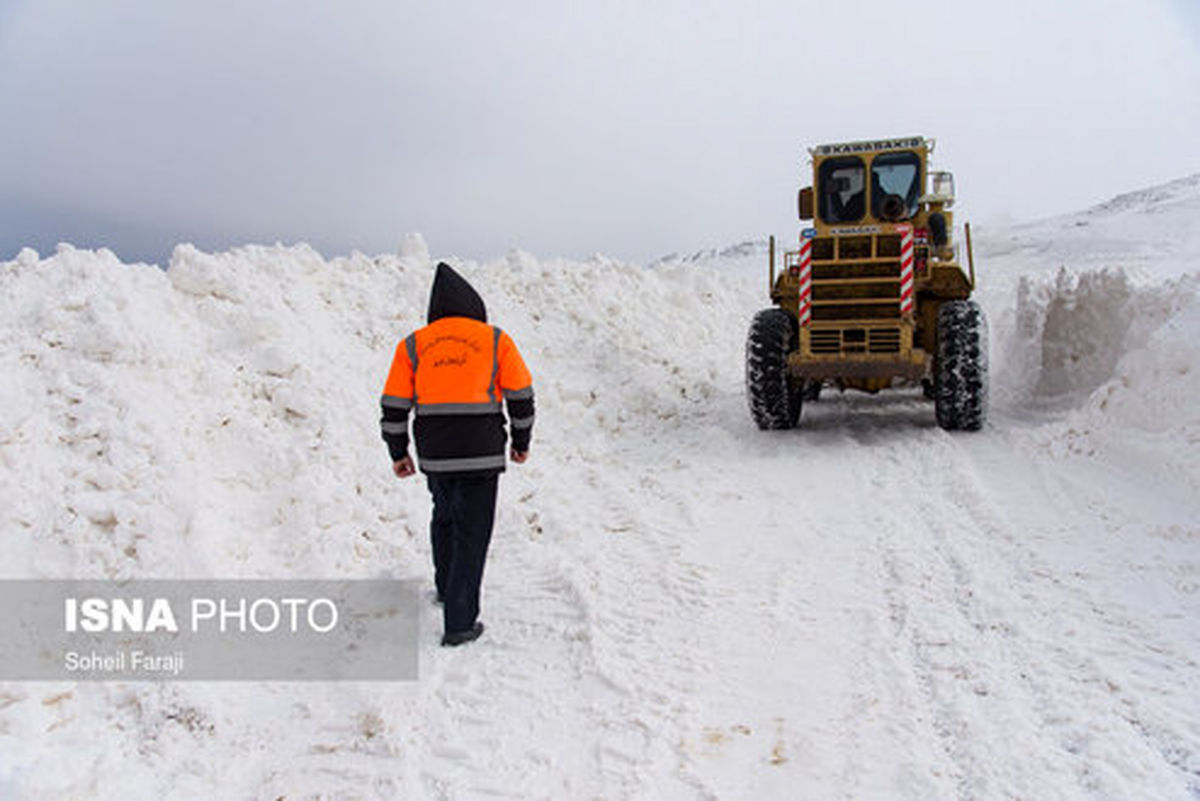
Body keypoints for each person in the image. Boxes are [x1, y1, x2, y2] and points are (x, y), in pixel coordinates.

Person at [380, 262, 535, 646]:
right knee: (473, 532)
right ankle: (460, 623)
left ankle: (447, 590)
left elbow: (394, 405)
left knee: (445, 517)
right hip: (481, 454)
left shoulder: (413, 345)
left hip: (435, 454)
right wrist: (521, 441)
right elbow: (521, 395)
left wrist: (398, 451)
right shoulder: (495, 340)